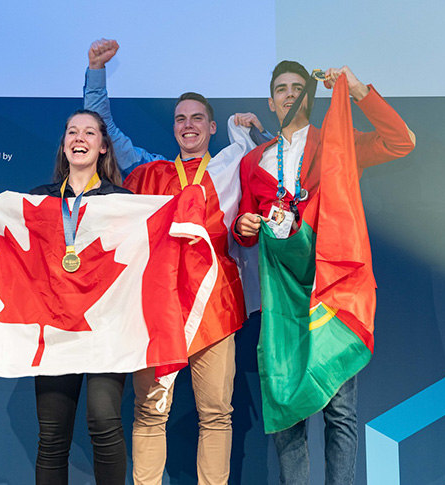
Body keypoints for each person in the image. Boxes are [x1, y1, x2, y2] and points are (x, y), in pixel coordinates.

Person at [83, 38, 264, 485]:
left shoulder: (232, 166)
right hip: (158, 306)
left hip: (214, 305)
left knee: (217, 413)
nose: (188, 125)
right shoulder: (150, 172)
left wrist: (254, 133)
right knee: (149, 411)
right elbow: (102, 127)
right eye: (180, 119)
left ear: (212, 126)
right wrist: (95, 73)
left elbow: (283, 166)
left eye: (196, 118)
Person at [233, 61, 416, 484]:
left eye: (298, 87)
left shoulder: (338, 143)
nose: (290, 94)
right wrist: (243, 226)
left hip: (333, 288)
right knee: (286, 405)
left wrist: (355, 89)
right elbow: (246, 226)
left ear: (309, 97)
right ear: (271, 100)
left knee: (340, 411)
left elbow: (401, 142)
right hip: (283, 295)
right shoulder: (253, 162)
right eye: (281, 88)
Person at [0, 110, 131, 485]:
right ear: (65, 144)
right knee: (52, 437)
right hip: (52, 330)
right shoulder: (38, 199)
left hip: (105, 327)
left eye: (88, 132)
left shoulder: (124, 202)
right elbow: (8, 243)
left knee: (103, 421)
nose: (78, 137)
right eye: (71, 131)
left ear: (102, 147)